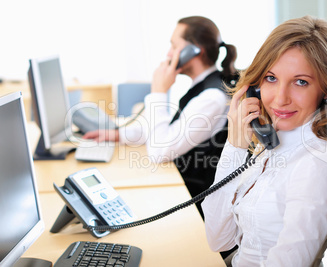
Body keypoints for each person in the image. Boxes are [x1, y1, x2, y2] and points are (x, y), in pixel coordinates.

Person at [201, 16, 327, 266]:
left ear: (326, 89)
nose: (280, 98)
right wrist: (234, 146)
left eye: (301, 82)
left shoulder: (322, 163)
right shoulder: (269, 146)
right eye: (271, 78)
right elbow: (218, 240)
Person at [83, 16, 238, 218]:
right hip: (181, 187)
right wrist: (120, 135)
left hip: (193, 202)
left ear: (194, 50)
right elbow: (171, 130)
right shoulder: (204, 86)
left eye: (174, 46)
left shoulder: (211, 98)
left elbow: (159, 151)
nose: (168, 53)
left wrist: (158, 91)